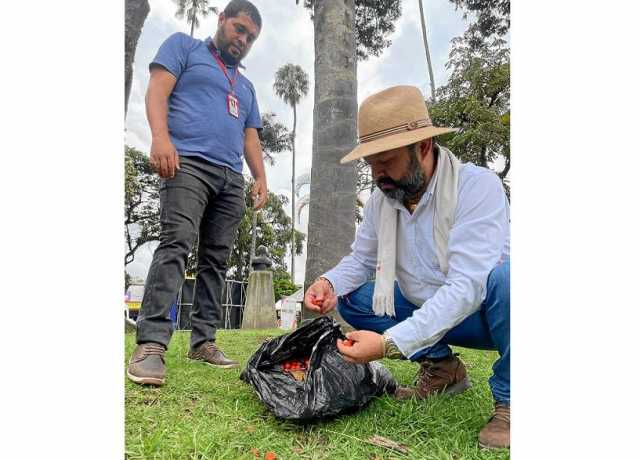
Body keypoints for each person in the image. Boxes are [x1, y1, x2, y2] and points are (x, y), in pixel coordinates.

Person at [303, 86, 511, 449]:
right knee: (352, 297)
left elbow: (467, 286)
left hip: (488, 315)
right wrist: (329, 282)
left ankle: (512, 402)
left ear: (424, 148)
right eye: (371, 164)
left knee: (510, 281)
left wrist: (389, 344)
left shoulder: (477, 187)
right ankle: (443, 370)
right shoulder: (382, 202)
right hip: (425, 307)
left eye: (387, 161)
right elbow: (361, 259)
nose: (378, 175)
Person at [127, 0, 266, 387]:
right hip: (186, 163)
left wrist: (260, 178)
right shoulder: (183, 48)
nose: (243, 40)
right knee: (177, 244)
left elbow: (250, 135)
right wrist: (159, 137)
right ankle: (151, 344)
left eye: (251, 37)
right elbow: (158, 90)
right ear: (221, 20)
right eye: (239, 29)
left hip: (229, 177)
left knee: (216, 262)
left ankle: (203, 341)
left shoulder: (248, 86)